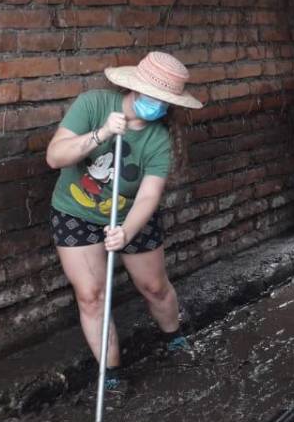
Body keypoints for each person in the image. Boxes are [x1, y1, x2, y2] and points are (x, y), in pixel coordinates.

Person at [45, 51, 204, 398]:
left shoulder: (159, 138)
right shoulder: (94, 105)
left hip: (131, 215)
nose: (159, 105)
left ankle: (174, 338)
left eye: (166, 101)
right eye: (155, 96)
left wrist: (126, 232)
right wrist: (101, 134)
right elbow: (54, 157)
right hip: (77, 213)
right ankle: (112, 374)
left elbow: (148, 196)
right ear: (135, 88)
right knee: (91, 296)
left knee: (154, 287)